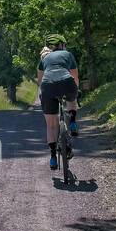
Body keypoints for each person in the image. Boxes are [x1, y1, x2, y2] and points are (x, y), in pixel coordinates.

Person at [36, 33, 80, 170]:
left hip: (48, 87)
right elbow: (75, 76)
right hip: (66, 83)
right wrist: (75, 91)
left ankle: (53, 158)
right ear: (61, 45)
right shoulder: (68, 55)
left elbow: (40, 82)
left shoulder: (44, 58)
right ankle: (72, 122)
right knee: (72, 97)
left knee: (51, 126)